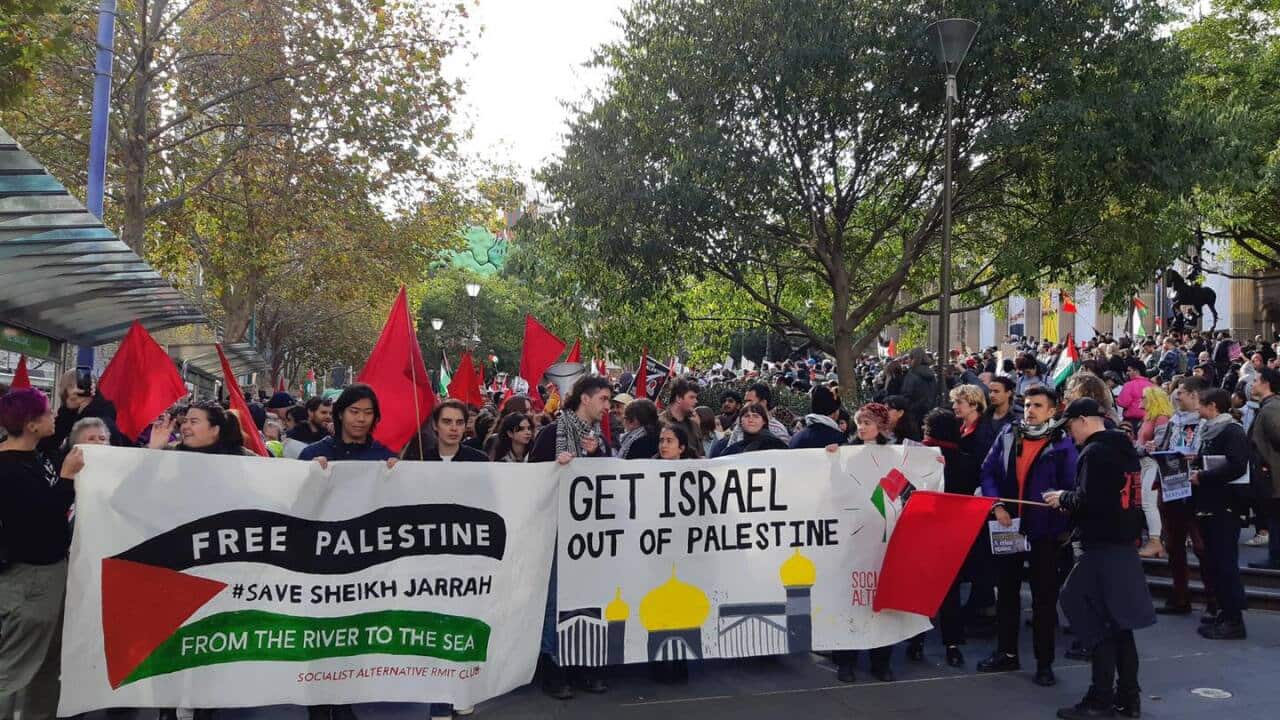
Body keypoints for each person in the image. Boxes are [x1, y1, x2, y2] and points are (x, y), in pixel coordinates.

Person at [1046, 399, 1155, 720]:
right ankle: (1127, 698)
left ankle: (1101, 697)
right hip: (1122, 545)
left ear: (1083, 420)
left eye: (1070, 426)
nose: (1070, 434)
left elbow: (1089, 501)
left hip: (1099, 545)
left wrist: (1062, 498)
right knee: (1120, 624)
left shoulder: (1094, 452)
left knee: (1084, 610)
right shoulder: (1125, 449)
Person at [978, 386, 1078, 687]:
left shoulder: (1062, 443)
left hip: (1044, 532)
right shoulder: (1009, 433)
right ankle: (1006, 653)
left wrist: (1060, 512)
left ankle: (1044, 664)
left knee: (1044, 601)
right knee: (1006, 594)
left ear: (1052, 411)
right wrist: (997, 505)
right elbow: (989, 472)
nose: (1031, 409)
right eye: (1028, 404)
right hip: (1008, 526)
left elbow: (1071, 486)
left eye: (1038, 405)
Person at [0, 389, 80, 720]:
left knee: (48, 662)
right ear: (32, 425)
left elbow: (59, 433)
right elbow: (43, 520)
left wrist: (75, 406)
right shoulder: (8, 471)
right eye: (47, 413)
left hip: (50, 574)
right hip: (30, 578)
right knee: (13, 670)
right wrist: (66, 479)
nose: (54, 417)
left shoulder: (36, 453)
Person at [906, 409, 979, 668]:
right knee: (950, 594)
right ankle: (952, 646)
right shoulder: (967, 462)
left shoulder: (916, 459)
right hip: (953, 536)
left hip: (921, 534)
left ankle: (916, 642)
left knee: (920, 591)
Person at [833, 402, 896, 683]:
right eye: (860, 422)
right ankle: (846, 660)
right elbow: (835, 489)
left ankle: (881, 661)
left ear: (881, 426)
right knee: (851, 599)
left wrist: (932, 464)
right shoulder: (846, 454)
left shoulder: (895, 456)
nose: (862, 427)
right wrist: (831, 460)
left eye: (868, 422)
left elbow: (905, 485)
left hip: (883, 539)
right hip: (853, 539)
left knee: (882, 600)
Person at [1150, 377, 1214, 616]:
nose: (1177, 396)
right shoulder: (1173, 421)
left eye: (1182, 392)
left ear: (1195, 395)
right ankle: (1180, 597)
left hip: (1195, 490)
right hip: (1171, 486)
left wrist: (1195, 459)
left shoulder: (1206, 421)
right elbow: (1166, 445)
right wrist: (1156, 450)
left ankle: (1213, 600)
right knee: (1174, 546)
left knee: (1202, 546)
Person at [1192, 389, 1250, 640]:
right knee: (1215, 562)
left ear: (1212, 406)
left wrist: (1202, 476)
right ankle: (1225, 614)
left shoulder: (1232, 431)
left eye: (1201, 405)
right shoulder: (1211, 429)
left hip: (1226, 505)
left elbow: (1237, 464)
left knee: (1226, 563)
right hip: (1210, 504)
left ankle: (1234, 619)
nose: (1197, 410)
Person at [298, 384, 397, 465]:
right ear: (340, 414)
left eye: (368, 413)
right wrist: (309, 472)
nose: (361, 419)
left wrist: (398, 472)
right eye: (354, 412)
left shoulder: (385, 457)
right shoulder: (312, 454)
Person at [1247, 367, 1280, 569]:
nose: (1253, 384)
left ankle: (1275, 558)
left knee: (1275, 518)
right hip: (1271, 474)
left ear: (1266, 382)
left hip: (1274, 475)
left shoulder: (1271, 408)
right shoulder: (1268, 407)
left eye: (1257, 380)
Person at [403, 400, 489, 462]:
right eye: (447, 422)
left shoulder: (479, 460)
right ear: (435, 425)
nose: (454, 428)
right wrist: (396, 469)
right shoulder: (420, 460)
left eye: (459, 422)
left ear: (465, 426)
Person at [719, 403, 788, 456]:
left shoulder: (778, 446)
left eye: (755, 416)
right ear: (740, 422)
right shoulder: (731, 451)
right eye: (747, 416)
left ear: (764, 421)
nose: (751, 420)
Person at [660, 378, 703, 457]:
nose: (696, 401)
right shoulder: (659, 423)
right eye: (692, 397)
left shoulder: (694, 425)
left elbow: (701, 454)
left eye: (696, 398)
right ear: (679, 398)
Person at [951, 384, 994, 462]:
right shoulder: (955, 426)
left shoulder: (985, 432)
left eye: (959, 402)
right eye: (954, 402)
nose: (954, 406)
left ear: (974, 405)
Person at [901, 348, 938, 421]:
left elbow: (907, 394)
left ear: (913, 359)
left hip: (914, 413)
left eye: (908, 358)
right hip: (929, 411)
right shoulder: (931, 373)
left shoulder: (912, 374)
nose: (907, 361)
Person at [1115, 359, 1154, 424]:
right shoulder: (1152, 385)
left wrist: (1117, 399)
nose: (1127, 373)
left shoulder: (1129, 385)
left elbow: (1123, 403)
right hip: (1148, 419)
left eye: (1129, 370)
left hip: (1132, 420)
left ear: (1136, 371)